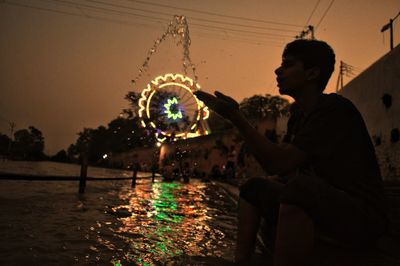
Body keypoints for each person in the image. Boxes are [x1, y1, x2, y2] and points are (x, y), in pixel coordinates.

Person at [194, 39, 388, 266]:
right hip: (325, 206)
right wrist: (277, 177)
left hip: (362, 219)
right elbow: (283, 165)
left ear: (312, 73)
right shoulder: (298, 115)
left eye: (288, 65)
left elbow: (280, 162)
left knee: (298, 188)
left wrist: (237, 118)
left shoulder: (333, 110)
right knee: (253, 187)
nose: (278, 70)